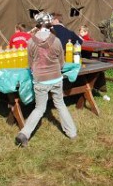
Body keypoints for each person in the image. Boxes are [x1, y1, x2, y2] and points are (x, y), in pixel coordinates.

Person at [15, 12, 77, 147]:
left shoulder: (30, 41)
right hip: (55, 78)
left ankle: (24, 133)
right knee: (60, 104)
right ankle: (72, 133)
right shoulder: (56, 41)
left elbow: (30, 64)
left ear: (37, 25)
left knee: (39, 108)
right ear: (50, 24)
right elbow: (61, 63)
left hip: (40, 79)